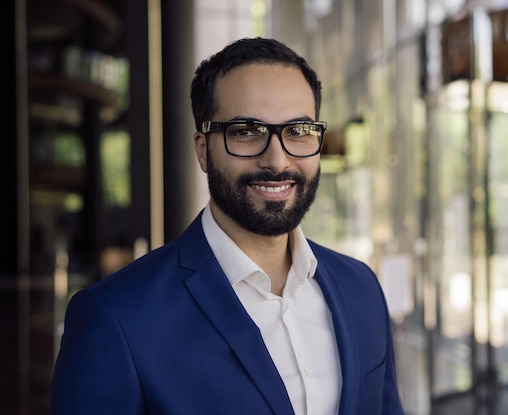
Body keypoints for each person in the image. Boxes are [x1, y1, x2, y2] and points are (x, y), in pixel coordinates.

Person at [50, 37, 404, 415]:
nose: (277, 160)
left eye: (298, 130)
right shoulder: (116, 318)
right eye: (246, 132)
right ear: (203, 149)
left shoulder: (361, 288)